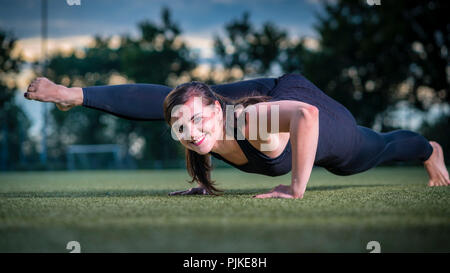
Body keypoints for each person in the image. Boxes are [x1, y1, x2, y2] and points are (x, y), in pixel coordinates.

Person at [24, 73, 450, 198]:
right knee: (172, 102)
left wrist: (295, 188)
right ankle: (72, 94)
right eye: (182, 128)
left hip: (305, 109)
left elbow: (305, 114)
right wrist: (71, 94)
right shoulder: (194, 119)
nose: (190, 133)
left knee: (371, 152)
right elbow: (157, 101)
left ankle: (430, 149)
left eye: (199, 121)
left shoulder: (246, 122)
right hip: (252, 97)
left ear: (217, 110)